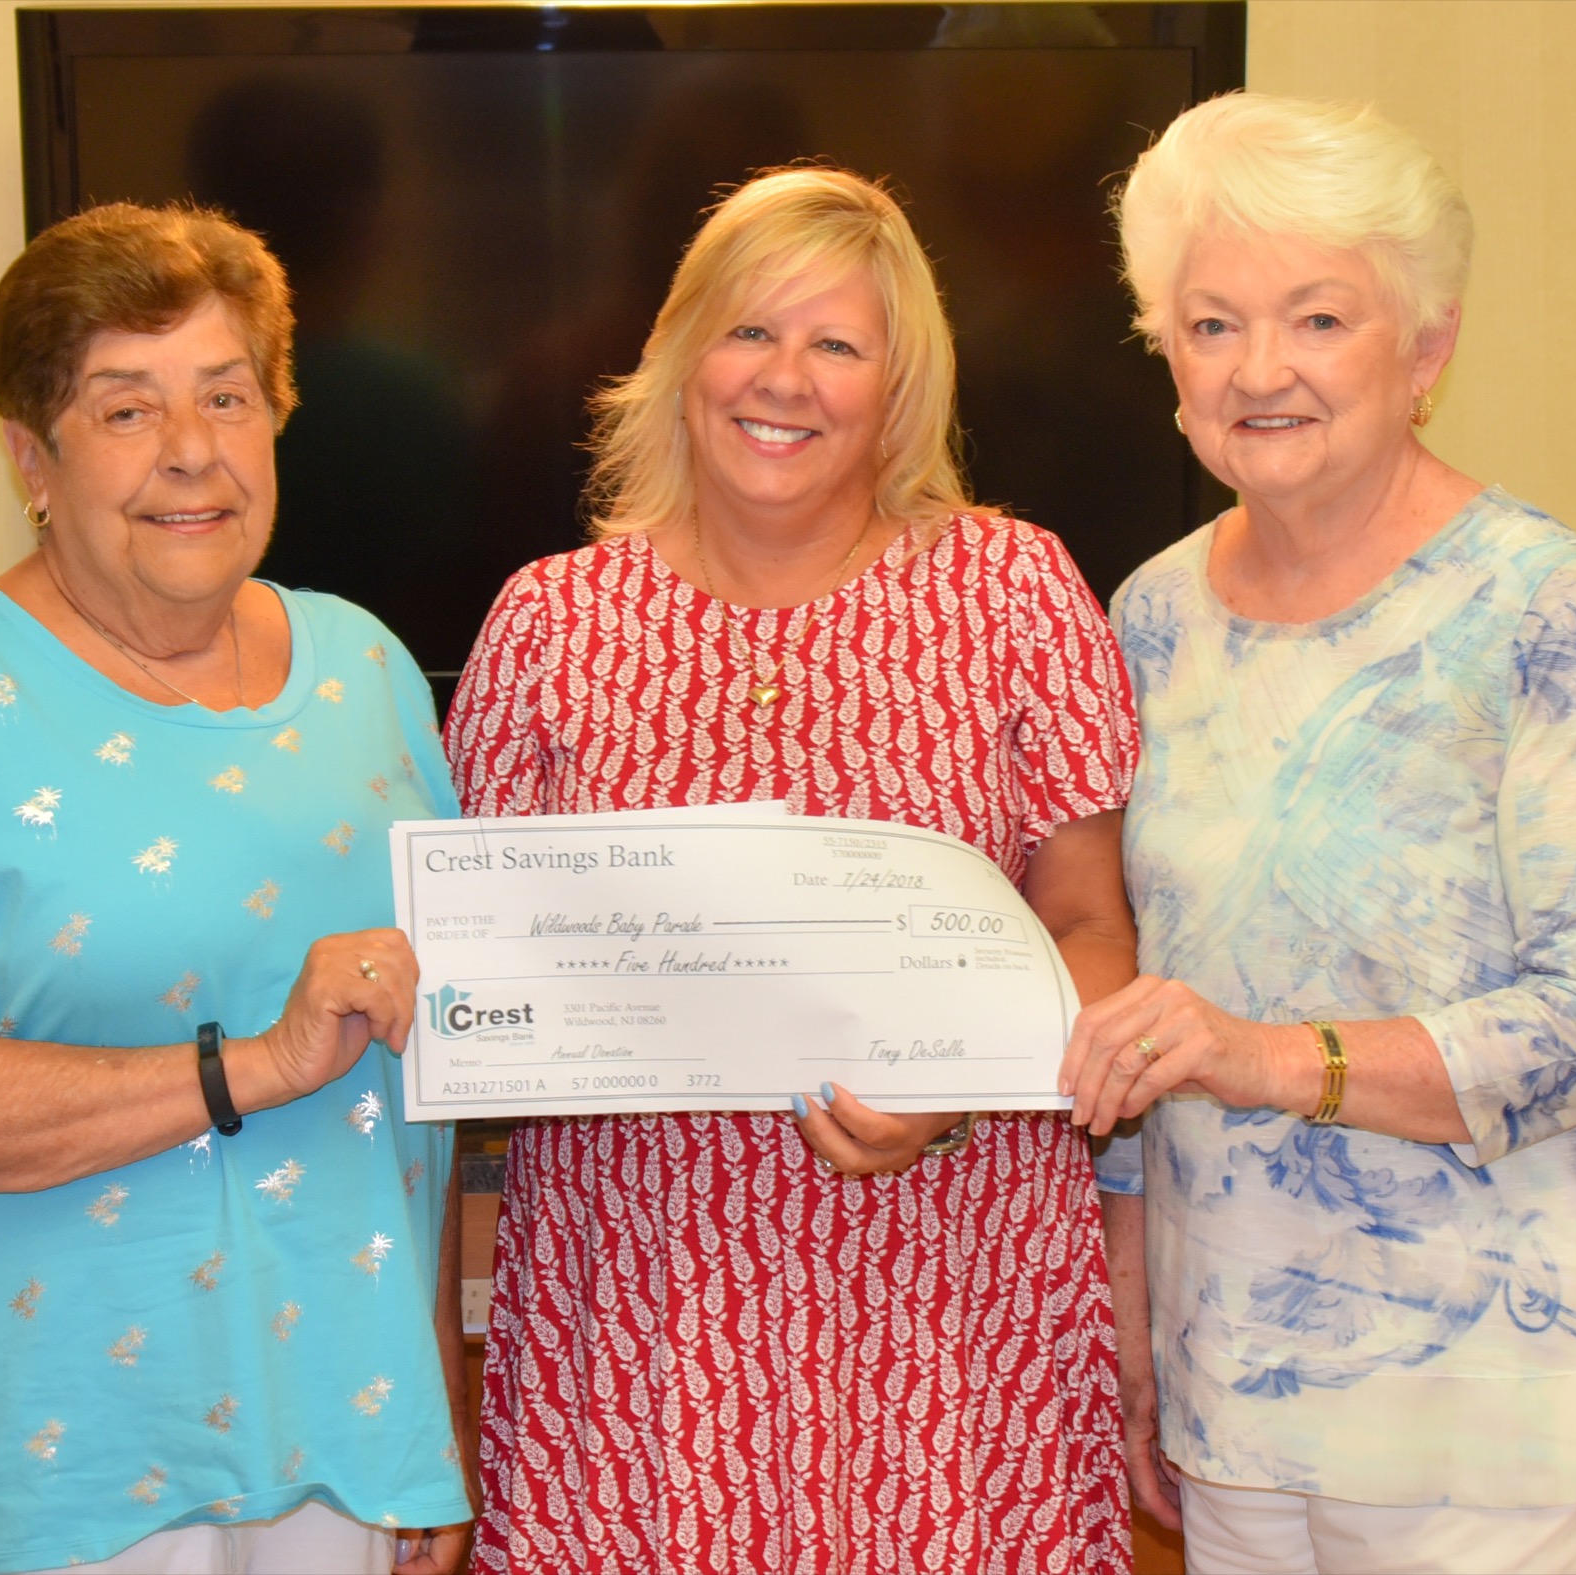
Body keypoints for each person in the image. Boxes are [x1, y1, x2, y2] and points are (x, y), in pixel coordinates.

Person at [446, 166, 1154, 1575]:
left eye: (838, 344)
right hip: (640, 1327)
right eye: (749, 332)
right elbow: (476, 970)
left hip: (960, 1311)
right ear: (677, 352)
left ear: (898, 387)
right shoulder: (549, 625)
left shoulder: (1014, 595)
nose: (787, 379)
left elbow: (1092, 933)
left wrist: (955, 1083)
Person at [0, 203, 472, 1575]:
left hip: (346, 1443)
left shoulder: (371, 671)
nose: (193, 451)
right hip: (60, 1463)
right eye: (127, 409)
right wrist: (253, 1064)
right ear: (31, 455)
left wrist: (428, 1412)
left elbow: (415, 1109)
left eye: (227, 396)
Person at [1061, 93, 1576, 1574]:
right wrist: (1140, 1335)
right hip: (1237, 1402)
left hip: (1500, 1415)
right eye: (1211, 326)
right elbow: (1147, 1015)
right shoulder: (1144, 620)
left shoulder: (1546, 604)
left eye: (1320, 319)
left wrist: (1268, 1055)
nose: (1260, 370)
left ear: (1427, 351)